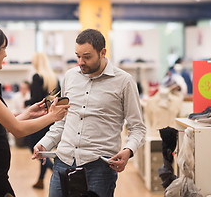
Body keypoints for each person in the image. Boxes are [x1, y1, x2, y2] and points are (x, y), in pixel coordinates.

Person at [33, 29, 146, 197]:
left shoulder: (124, 82)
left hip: (99, 167)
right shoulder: (70, 76)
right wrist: (45, 143)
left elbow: (138, 128)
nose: (80, 62)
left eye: (87, 57)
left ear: (102, 53)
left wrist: (128, 150)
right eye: (78, 56)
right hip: (63, 161)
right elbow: (63, 121)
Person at [0, 25, 69, 197]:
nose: (6, 54)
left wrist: (27, 114)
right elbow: (17, 130)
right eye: (4, 49)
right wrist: (52, 116)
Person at [24, 52, 61, 189]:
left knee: (33, 147)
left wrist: (26, 102)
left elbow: (36, 99)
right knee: (43, 149)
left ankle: (55, 171)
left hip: (38, 118)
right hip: (50, 118)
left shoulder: (36, 77)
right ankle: (40, 180)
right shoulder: (53, 78)